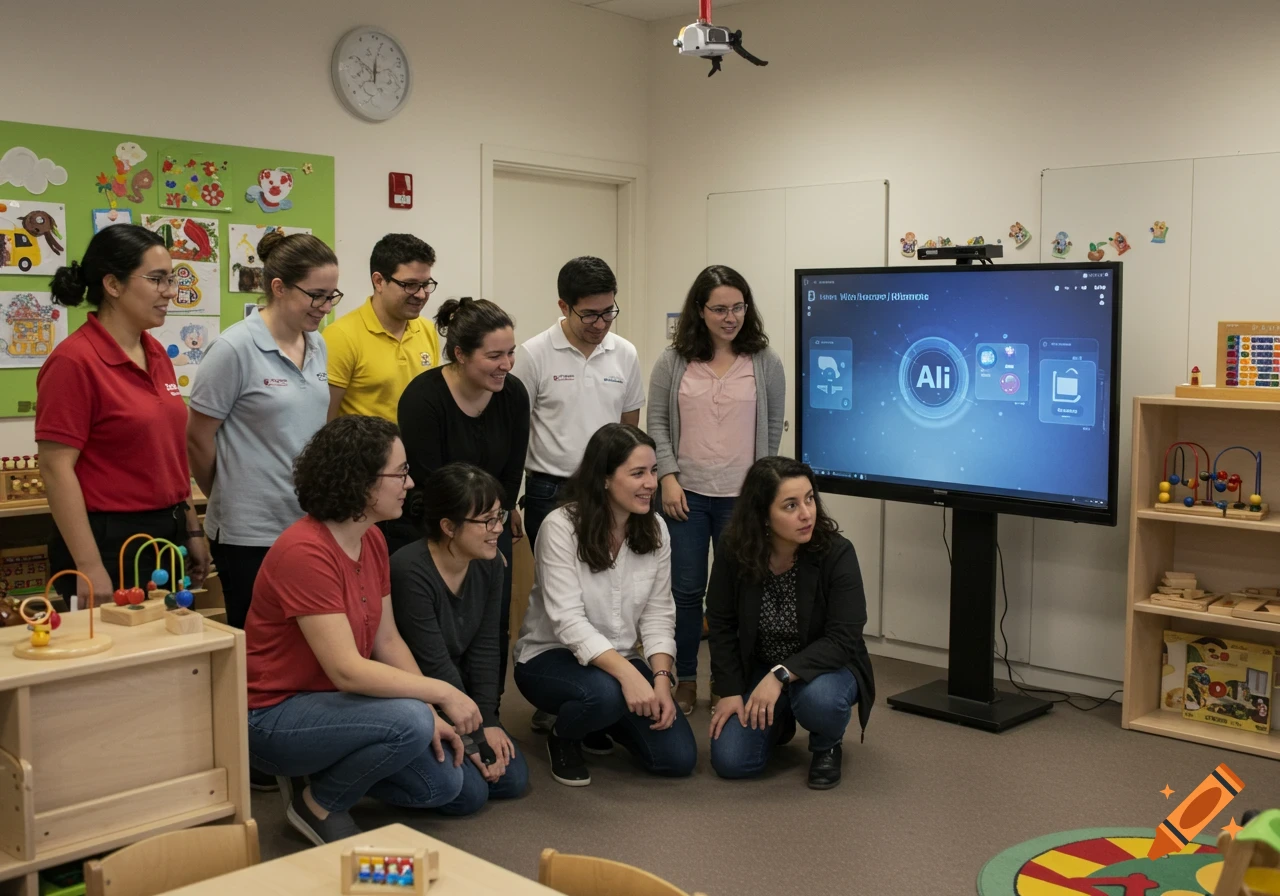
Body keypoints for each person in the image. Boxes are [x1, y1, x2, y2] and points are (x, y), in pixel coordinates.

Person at [246, 416, 489, 845]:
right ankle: (316, 804)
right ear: (360, 481)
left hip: (339, 706)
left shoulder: (372, 539)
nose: (410, 484)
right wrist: (440, 696)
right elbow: (348, 671)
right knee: (411, 718)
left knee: (453, 788)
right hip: (275, 716)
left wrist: (432, 717)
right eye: (400, 473)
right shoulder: (305, 550)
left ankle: (331, 765)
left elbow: (387, 640)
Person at [36, 224, 210, 608]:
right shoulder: (73, 361)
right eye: (157, 279)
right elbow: (55, 469)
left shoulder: (157, 352)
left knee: (172, 658)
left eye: (172, 279)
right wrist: (90, 565)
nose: (170, 291)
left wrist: (192, 529)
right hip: (107, 540)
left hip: (167, 536)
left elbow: (169, 455)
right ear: (113, 285)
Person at [513, 424, 696, 787]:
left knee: (676, 758)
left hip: (619, 659)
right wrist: (629, 677)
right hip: (550, 656)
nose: (651, 483)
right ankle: (564, 736)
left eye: (653, 471)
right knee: (605, 693)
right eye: (637, 473)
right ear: (605, 479)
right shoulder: (560, 527)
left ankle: (601, 719)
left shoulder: (655, 528)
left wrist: (660, 680)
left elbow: (659, 613)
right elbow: (568, 622)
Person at [647, 264, 785, 715]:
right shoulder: (673, 361)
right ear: (700, 311)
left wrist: (762, 492)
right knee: (685, 592)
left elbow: (770, 430)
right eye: (720, 309)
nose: (731, 317)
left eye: (739, 307)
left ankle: (731, 678)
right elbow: (657, 424)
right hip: (684, 496)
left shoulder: (765, 363)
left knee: (737, 594)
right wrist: (666, 476)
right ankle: (684, 677)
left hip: (741, 500)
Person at [187, 232, 339, 629]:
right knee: (257, 642)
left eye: (332, 295)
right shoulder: (234, 349)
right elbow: (197, 438)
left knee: (305, 641)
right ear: (278, 287)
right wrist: (226, 492)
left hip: (306, 521)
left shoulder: (318, 344)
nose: (325, 306)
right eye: (316, 295)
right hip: (248, 531)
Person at [706, 456, 875, 790]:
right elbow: (721, 622)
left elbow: (843, 638)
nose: (806, 513)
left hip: (825, 667)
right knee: (731, 761)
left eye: (810, 499)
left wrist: (780, 675)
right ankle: (779, 718)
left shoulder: (836, 552)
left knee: (820, 701)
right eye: (790, 505)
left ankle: (826, 743)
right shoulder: (733, 549)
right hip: (761, 664)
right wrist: (728, 691)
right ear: (762, 514)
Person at [396, 297, 529, 691]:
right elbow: (428, 486)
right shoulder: (423, 399)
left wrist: (494, 522)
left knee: (491, 626)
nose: (506, 364)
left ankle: (489, 712)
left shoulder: (513, 394)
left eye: (511, 353)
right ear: (460, 354)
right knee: (436, 634)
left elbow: (510, 474)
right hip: (434, 528)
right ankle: (444, 709)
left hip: (490, 524)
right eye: (494, 356)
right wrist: (468, 530)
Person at [390, 463, 530, 815]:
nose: (497, 529)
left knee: (512, 778)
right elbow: (432, 661)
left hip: (461, 698)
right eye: (486, 521)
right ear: (449, 526)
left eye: (499, 516)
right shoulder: (410, 570)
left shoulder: (489, 563)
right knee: (469, 795)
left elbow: (486, 647)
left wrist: (490, 721)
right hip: (419, 699)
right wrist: (472, 739)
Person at [516, 256, 644, 549]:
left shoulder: (625, 353)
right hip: (549, 489)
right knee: (554, 584)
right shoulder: (534, 354)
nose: (600, 324)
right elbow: (515, 429)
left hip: (608, 487)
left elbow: (629, 426)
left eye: (608, 312)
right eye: (589, 314)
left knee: (604, 576)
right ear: (564, 306)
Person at [324, 233, 440, 423]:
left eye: (425, 284)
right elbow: (326, 421)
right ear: (379, 281)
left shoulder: (427, 329)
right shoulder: (340, 336)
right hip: (364, 452)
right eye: (410, 285)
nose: (420, 294)